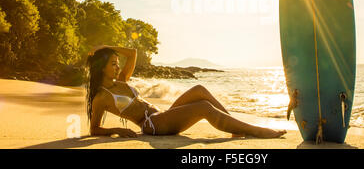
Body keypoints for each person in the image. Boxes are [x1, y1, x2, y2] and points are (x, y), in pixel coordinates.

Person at [86, 45, 287, 139]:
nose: (117, 67)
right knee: (203, 108)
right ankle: (255, 130)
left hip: (161, 116)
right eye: (113, 64)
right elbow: (94, 129)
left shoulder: (122, 81)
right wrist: (117, 130)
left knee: (199, 89)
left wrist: (105, 47)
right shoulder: (102, 97)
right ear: (101, 67)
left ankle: (235, 126)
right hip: (152, 125)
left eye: (117, 63)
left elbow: (132, 53)